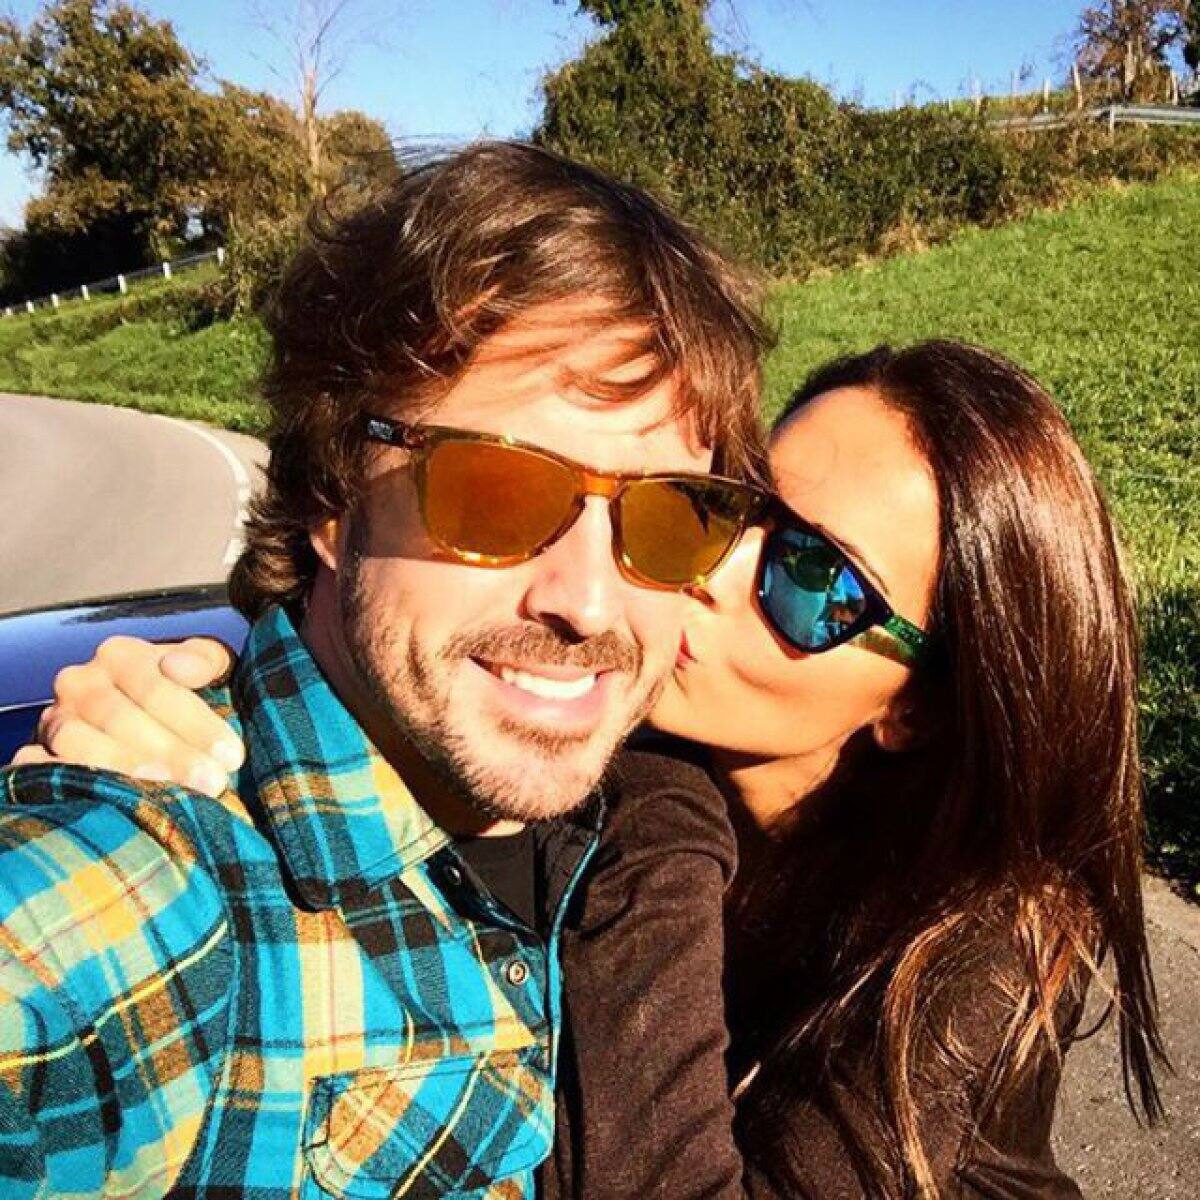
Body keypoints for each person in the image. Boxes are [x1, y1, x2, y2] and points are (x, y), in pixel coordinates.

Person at [35, 341, 1168, 1199]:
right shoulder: (579, 741)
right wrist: (210, 700)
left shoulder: (973, 949)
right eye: (728, 510)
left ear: (916, 708)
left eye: (814, 580)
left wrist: (660, 809)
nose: (711, 573)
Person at [0, 140, 773, 1197]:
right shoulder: (158, 900)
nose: (588, 601)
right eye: (493, 493)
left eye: (675, 515)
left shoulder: (633, 819)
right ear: (331, 493)